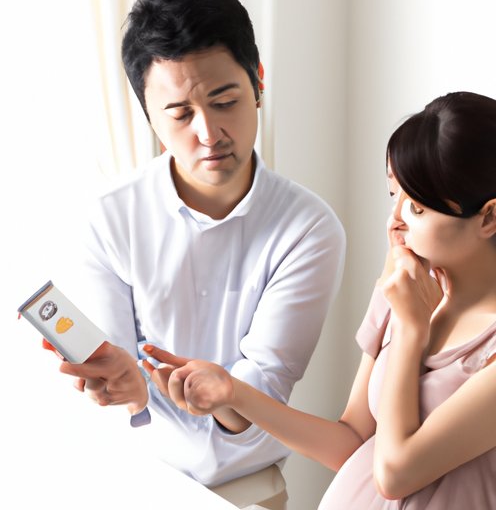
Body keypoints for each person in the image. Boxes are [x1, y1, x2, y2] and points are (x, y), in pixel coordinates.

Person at [53, 0, 345, 508]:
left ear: (258, 82)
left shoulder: (308, 228)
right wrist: (119, 384)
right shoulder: (108, 218)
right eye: (181, 114)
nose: (209, 134)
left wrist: (222, 392)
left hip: (249, 486)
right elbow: (120, 370)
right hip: (139, 482)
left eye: (224, 102)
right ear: (149, 116)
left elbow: (265, 389)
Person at [141, 91, 496, 509]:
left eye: (416, 208)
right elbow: (354, 442)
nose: (395, 220)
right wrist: (233, 393)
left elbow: (395, 474)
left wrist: (410, 330)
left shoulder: (414, 311)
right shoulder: (401, 289)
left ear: (489, 217)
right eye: (393, 195)